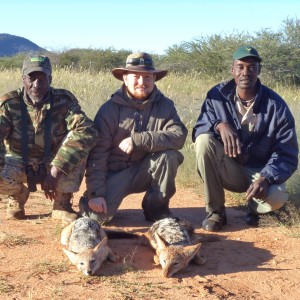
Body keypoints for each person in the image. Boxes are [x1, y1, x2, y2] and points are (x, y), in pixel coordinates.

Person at [192, 46, 299, 232]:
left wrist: (266, 178)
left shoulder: (276, 106)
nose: (245, 72)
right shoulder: (216, 96)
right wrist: (219, 124)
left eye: (252, 67)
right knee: (203, 141)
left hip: (259, 173)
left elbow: (287, 154)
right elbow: (200, 127)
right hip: (229, 169)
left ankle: (255, 210)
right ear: (232, 69)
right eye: (240, 67)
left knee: (276, 196)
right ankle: (216, 211)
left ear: (259, 70)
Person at [80, 52, 187, 224]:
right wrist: (96, 194)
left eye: (147, 77)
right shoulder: (109, 110)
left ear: (154, 79)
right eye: (136, 76)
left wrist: (138, 140)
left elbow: (178, 136)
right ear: (125, 78)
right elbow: (97, 154)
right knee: (97, 220)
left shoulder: (165, 105)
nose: (142, 82)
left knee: (169, 156)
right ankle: (89, 201)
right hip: (114, 173)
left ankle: (156, 209)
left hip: (144, 169)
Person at [0, 55, 98, 223]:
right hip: (18, 162)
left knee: (80, 142)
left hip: (53, 162)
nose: (36, 85)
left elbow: (87, 130)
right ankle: (17, 194)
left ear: (50, 79)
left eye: (42, 79)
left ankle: (62, 203)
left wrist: (56, 168)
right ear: (23, 78)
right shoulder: (9, 103)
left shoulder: (64, 100)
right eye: (31, 78)